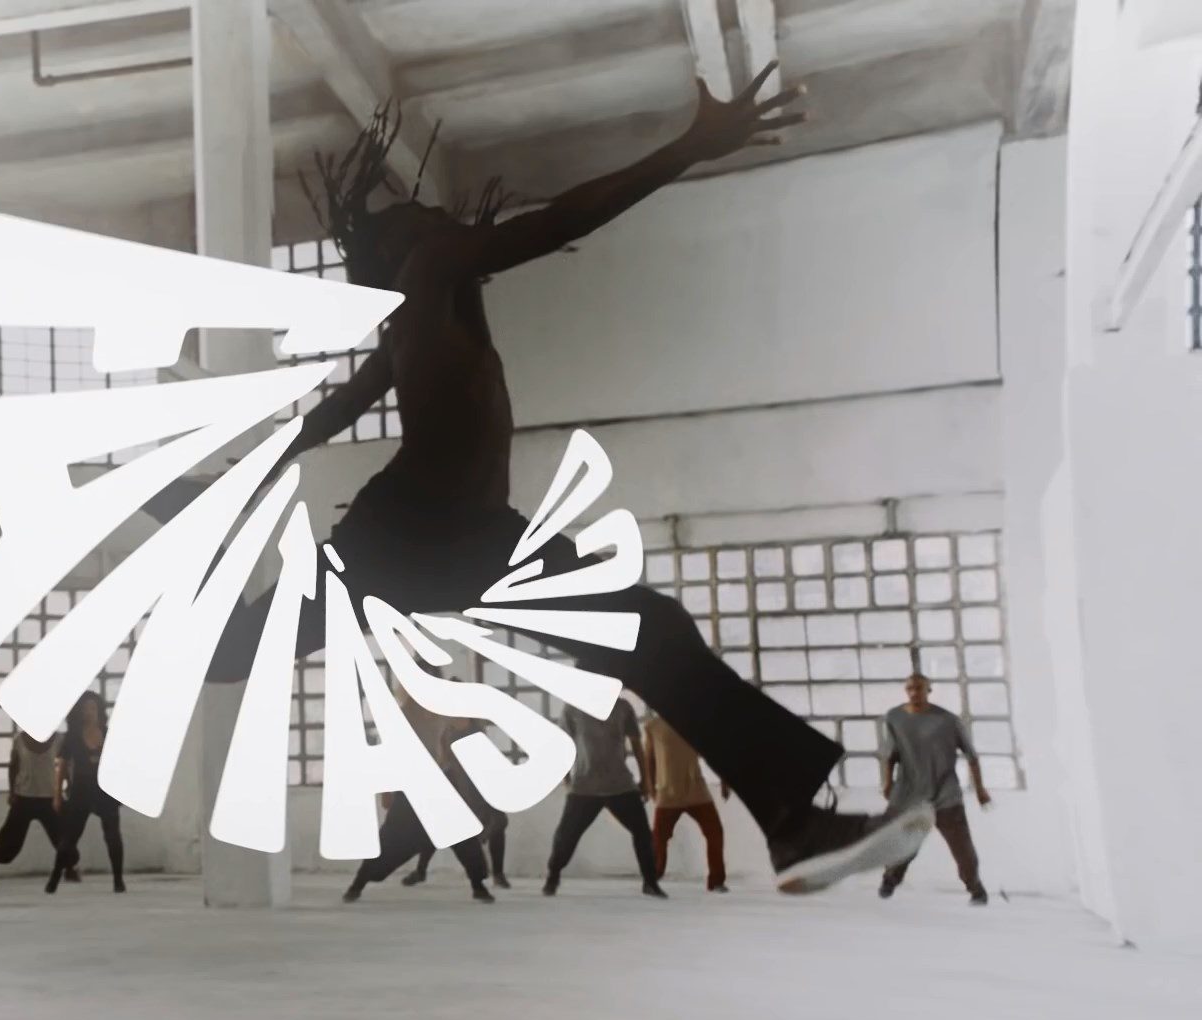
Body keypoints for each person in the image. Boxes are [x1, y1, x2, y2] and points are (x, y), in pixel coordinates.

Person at [145, 64, 935, 894]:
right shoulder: (428, 267)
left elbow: (344, 403)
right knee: (235, 654)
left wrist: (264, 459)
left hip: (476, 542)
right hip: (406, 530)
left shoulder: (425, 312)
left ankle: (793, 825)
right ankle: (188, 551)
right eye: (408, 213)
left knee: (650, 631)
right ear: (397, 247)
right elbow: (558, 221)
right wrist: (687, 149)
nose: (429, 211)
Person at [343, 682, 496, 904]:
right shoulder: (401, 717)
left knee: (464, 836)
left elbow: (463, 727)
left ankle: (478, 885)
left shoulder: (443, 712)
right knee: (390, 840)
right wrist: (386, 790)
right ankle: (359, 882)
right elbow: (388, 754)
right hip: (412, 788)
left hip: (441, 787)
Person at [878, 674, 992, 905]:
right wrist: (887, 783)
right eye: (910, 689)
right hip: (909, 796)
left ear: (928, 690)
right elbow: (890, 755)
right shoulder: (895, 718)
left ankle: (976, 889)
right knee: (902, 844)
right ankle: (890, 880)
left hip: (945, 796)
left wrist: (980, 790)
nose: (914, 693)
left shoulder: (947, 721)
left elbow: (972, 756)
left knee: (963, 850)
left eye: (919, 689)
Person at [544, 697, 664, 898]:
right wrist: (566, 779)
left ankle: (650, 882)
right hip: (585, 786)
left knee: (643, 833)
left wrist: (646, 781)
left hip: (620, 784)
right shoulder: (573, 708)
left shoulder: (622, 707)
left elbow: (637, 745)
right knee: (566, 836)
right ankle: (553, 876)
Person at [45, 691, 127, 894]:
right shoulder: (72, 736)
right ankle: (55, 877)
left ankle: (118, 880)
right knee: (69, 838)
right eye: (85, 709)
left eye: (92, 707)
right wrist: (57, 795)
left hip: (105, 790)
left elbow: (120, 764)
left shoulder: (108, 733)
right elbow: (61, 766)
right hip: (81, 790)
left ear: (99, 710)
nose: (89, 712)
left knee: (113, 836)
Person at [643, 705, 730, 893]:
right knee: (659, 838)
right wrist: (651, 789)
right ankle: (653, 877)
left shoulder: (694, 725)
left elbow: (714, 754)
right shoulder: (653, 727)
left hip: (695, 789)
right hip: (668, 792)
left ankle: (716, 881)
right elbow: (649, 759)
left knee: (714, 832)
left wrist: (724, 781)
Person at [0, 729, 81, 883]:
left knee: (62, 834)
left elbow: (66, 764)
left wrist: (69, 784)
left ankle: (70, 868)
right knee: (9, 837)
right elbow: (13, 766)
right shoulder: (19, 740)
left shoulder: (58, 739)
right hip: (24, 797)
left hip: (50, 797)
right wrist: (11, 792)